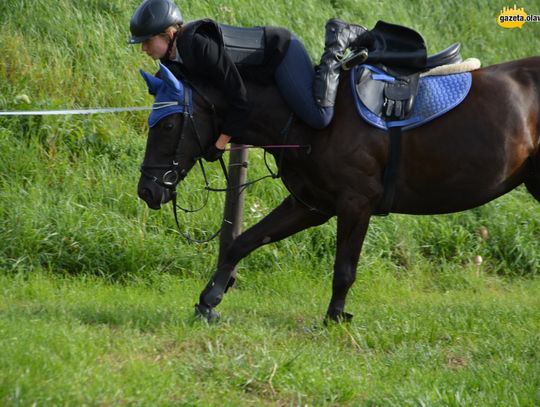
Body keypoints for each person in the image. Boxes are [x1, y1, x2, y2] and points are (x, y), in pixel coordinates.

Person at [128, 0, 370, 161]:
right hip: (261, 72)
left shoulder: (197, 45)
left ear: (169, 33)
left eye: (146, 42)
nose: (144, 49)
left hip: (281, 53)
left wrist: (220, 143)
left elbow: (239, 99)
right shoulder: (172, 59)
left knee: (319, 116)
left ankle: (338, 40)